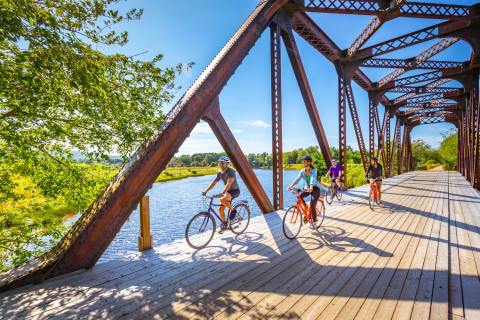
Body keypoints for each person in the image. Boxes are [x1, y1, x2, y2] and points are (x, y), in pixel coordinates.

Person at [203, 156, 240, 233]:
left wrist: (223, 192)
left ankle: (233, 211)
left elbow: (229, 184)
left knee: (223, 199)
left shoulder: (231, 172)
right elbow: (214, 182)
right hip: (227, 192)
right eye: (220, 163)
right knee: (220, 209)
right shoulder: (220, 172)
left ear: (227, 163)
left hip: (235, 191)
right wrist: (206, 191)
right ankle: (224, 225)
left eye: (223, 163)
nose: (221, 165)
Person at [287, 155, 326, 229]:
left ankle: (314, 222)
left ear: (309, 162)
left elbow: (313, 179)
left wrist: (311, 187)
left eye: (304, 162)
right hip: (307, 188)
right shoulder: (302, 171)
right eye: (303, 162)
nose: (303, 163)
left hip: (315, 189)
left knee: (312, 205)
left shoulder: (314, 170)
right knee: (300, 196)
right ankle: (306, 209)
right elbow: (297, 179)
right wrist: (291, 186)